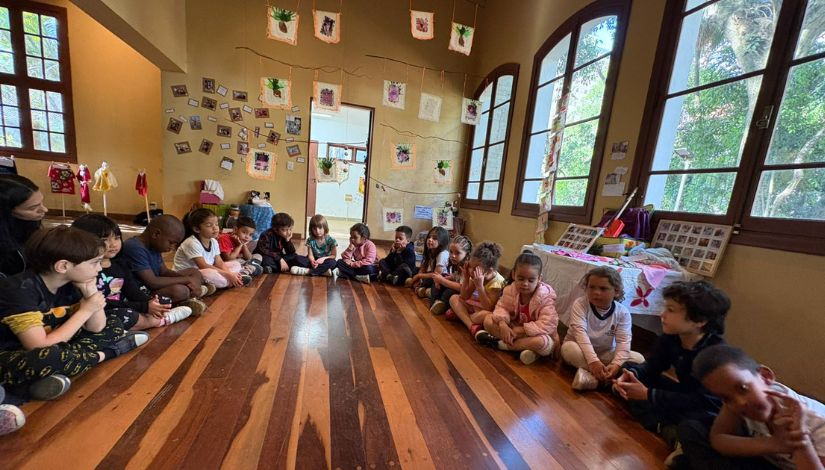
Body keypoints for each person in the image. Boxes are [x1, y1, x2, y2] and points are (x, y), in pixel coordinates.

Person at [0, 226, 148, 401]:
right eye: (95, 262)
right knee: (47, 358)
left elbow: (97, 327)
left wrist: (90, 292)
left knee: (115, 321)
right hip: (15, 353)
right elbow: (39, 346)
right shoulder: (19, 290)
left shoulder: (72, 281)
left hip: (59, 342)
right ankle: (108, 352)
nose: (99, 269)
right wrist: (86, 310)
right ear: (63, 266)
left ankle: (52, 374)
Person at [613, 280, 729, 452]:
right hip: (682, 393)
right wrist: (632, 375)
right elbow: (653, 366)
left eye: (671, 310)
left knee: (695, 424)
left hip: (705, 407)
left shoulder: (715, 354)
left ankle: (664, 427)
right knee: (628, 367)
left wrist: (648, 394)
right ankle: (664, 424)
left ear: (699, 320)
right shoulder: (672, 337)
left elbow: (705, 401)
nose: (662, 314)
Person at [676, 344, 825, 470]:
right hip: (768, 459)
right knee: (691, 429)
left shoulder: (817, 422)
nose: (740, 402)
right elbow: (718, 439)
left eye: (743, 388)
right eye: (726, 398)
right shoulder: (735, 400)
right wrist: (774, 444)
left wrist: (800, 442)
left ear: (765, 377)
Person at [71, 214, 192, 330]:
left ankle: (152, 317)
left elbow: (132, 291)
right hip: (101, 312)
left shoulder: (121, 264)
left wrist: (150, 303)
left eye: (117, 238)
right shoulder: (83, 271)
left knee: (159, 302)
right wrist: (144, 307)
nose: (113, 244)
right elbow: (100, 304)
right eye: (104, 239)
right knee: (126, 316)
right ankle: (161, 320)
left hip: (125, 305)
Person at [561, 266, 645, 391]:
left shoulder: (623, 313)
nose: (596, 292)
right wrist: (593, 361)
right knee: (568, 348)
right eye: (592, 287)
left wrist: (616, 364)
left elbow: (623, 342)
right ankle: (606, 379)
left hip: (606, 354)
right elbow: (580, 333)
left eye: (603, 288)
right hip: (580, 351)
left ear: (616, 291)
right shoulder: (580, 304)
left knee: (639, 359)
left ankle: (593, 378)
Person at [476, 251, 560, 365]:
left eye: (531, 280)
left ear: (539, 279)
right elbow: (501, 307)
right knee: (488, 320)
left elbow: (547, 323)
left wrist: (521, 331)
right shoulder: (510, 290)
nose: (525, 284)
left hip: (534, 333)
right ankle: (525, 349)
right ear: (513, 274)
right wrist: (503, 325)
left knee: (542, 342)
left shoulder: (545, 296)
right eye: (521, 279)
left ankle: (499, 344)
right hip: (514, 329)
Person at [121, 214, 209, 315]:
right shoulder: (134, 247)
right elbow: (152, 282)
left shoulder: (154, 245)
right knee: (180, 291)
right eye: (171, 242)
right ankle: (188, 298)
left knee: (194, 272)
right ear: (156, 234)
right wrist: (186, 280)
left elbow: (164, 271)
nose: (172, 247)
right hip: (142, 293)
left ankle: (190, 296)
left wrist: (188, 280)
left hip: (155, 285)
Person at [174, 208, 252, 289]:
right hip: (190, 274)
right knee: (210, 274)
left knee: (236, 264)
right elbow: (203, 266)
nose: (215, 228)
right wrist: (229, 275)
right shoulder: (191, 243)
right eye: (209, 225)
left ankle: (228, 281)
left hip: (207, 269)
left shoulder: (213, 241)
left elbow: (219, 263)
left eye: (216, 224)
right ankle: (233, 281)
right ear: (197, 229)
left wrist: (230, 274)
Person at [448, 241, 505, 335]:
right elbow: (464, 296)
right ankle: (471, 325)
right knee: (454, 298)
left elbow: (488, 307)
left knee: (487, 315)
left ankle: (462, 316)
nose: (471, 271)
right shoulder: (475, 275)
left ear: (489, 270)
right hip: (473, 306)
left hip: (483, 311)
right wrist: (466, 277)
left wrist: (480, 286)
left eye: (475, 268)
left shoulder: (497, 283)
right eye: (470, 266)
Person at [0, 175, 47, 277]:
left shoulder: (27, 223)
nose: (45, 209)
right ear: (6, 211)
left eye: (41, 202)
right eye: (33, 208)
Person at [429, 235, 472, 315]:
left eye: (458, 253)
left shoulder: (467, 267)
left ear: (466, 254)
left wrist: (443, 280)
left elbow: (461, 287)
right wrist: (440, 279)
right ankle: (435, 303)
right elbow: (455, 277)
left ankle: (441, 304)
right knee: (436, 284)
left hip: (465, 294)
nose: (453, 255)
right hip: (456, 287)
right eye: (451, 252)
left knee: (449, 292)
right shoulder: (456, 263)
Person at [407, 226, 450, 299]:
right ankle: (420, 287)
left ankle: (425, 290)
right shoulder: (430, 250)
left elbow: (436, 274)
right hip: (432, 274)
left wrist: (418, 276)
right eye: (429, 237)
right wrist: (419, 277)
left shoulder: (442, 254)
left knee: (428, 279)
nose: (430, 239)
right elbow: (423, 266)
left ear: (442, 242)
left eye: (434, 238)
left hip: (441, 277)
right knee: (415, 270)